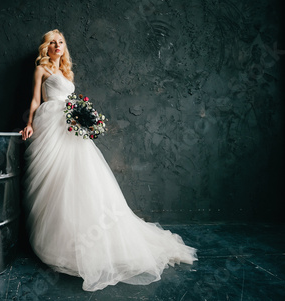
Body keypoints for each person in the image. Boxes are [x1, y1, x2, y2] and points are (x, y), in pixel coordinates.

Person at [18, 29, 198, 292]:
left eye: (61, 42)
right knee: (55, 180)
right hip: (51, 125)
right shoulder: (42, 70)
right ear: (46, 47)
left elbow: (71, 100)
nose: (57, 46)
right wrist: (30, 124)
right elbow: (35, 99)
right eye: (53, 43)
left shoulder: (67, 73)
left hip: (70, 127)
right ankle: (60, 241)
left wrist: (81, 116)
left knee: (82, 179)